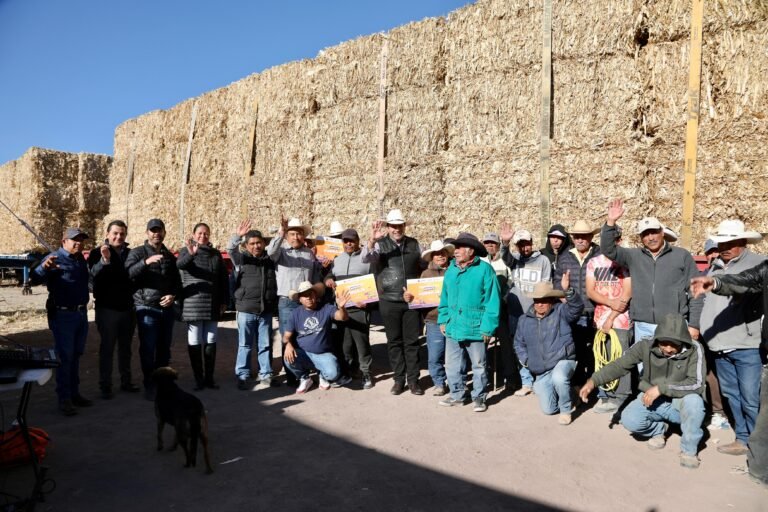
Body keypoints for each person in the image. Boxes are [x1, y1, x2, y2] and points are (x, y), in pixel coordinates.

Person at [579, 313, 707, 469]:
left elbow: (697, 384)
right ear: (657, 338)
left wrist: (661, 388)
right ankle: (659, 429)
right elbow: (620, 364)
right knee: (630, 420)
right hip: (652, 398)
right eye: (664, 343)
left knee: (694, 403)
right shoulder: (645, 344)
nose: (668, 349)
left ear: (683, 341)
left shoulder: (695, 348)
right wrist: (593, 381)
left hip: (679, 400)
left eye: (674, 344)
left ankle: (689, 450)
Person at [691, 220, 765, 456]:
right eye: (723, 242)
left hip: (746, 345)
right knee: (732, 396)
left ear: (743, 241)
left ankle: (758, 449)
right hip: (720, 345)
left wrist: (717, 283)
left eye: (731, 242)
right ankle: (743, 439)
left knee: (751, 399)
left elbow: (741, 284)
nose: (725, 246)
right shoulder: (715, 265)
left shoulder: (757, 264)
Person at [600, 198, 702, 344]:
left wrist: (694, 324)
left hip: (674, 325)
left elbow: (696, 291)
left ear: (662, 232)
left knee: (674, 366)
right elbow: (607, 249)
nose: (650, 237)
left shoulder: (681, 255)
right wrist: (610, 222)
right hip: (643, 326)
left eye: (654, 232)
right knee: (645, 366)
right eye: (645, 234)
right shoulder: (633, 256)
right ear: (641, 238)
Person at [362, 209, 425, 396]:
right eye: (393, 226)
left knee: (412, 342)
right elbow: (367, 258)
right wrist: (372, 240)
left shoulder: (414, 244)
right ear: (388, 227)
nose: (397, 229)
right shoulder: (380, 245)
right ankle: (399, 380)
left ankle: (413, 380)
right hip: (389, 300)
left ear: (404, 226)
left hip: (411, 300)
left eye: (400, 226)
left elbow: (423, 266)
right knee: (394, 342)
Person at [32, 228, 92, 416]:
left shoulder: (80, 259)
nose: (78, 243)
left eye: (81, 240)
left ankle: (74, 394)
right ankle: (64, 398)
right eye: (74, 240)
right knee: (65, 357)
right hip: (63, 315)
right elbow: (34, 278)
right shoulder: (54, 258)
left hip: (81, 314)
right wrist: (44, 267)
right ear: (63, 241)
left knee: (75, 355)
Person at [437, 233, 500, 412]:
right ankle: (457, 395)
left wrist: (488, 327)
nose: (455, 251)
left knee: (479, 365)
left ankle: (479, 397)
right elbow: (444, 298)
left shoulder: (485, 270)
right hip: (453, 325)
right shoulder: (451, 270)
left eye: (459, 248)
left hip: (476, 327)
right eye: (455, 248)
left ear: (470, 251)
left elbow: (492, 301)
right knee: (452, 364)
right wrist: (443, 319)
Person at [514, 271, 583, 425]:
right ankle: (571, 394)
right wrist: (527, 360)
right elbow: (518, 343)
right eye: (537, 300)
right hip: (541, 370)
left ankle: (566, 410)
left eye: (544, 300)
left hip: (563, 361)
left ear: (552, 300)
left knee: (559, 378)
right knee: (548, 409)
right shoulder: (524, 320)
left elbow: (577, 308)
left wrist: (569, 290)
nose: (540, 304)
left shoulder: (561, 312)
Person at [125, 218, 181, 400]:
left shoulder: (169, 256)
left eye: (159, 230)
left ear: (164, 232)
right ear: (147, 233)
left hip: (166, 309)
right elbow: (128, 275)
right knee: (148, 348)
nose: (156, 233)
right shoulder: (137, 252)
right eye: (153, 230)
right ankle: (149, 384)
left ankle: (163, 383)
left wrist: (173, 295)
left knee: (164, 348)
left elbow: (177, 282)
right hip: (146, 308)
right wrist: (145, 262)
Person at [266, 215, 321, 385]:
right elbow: (269, 253)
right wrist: (280, 233)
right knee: (288, 337)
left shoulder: (309, 254)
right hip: (287, 302)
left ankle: (304, 371)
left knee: (306, 335)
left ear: (303, 236)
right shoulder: (281, 252)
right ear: (287, 236)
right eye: (292, 234)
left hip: (306, 301)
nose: (296, 237)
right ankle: (292, 375)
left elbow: (315, 275)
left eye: (298, 234)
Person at [87, 220, 138, 400]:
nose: (118, 237)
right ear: (107, 234)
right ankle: (105, 385)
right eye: (115, 233)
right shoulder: (96, 252)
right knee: (107, 348)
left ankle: (126, 381)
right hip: (107, 309)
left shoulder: (131, 254)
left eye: (122, 234)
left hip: (127, 309)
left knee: (126, 348)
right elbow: (92, 276)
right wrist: (104, 260)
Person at [499, 224, 552, 396]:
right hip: (516, 311)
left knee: (537, 345)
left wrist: (542, 307)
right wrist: (505, 243)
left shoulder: (543, 260)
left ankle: (540, 380)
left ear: (532, 242)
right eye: (520, 244)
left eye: (526, 243)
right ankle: (526, 382)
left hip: (534, 310)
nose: (524, 247)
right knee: (519, 346)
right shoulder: (515, 259)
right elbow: (505, 257)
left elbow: (546, 285)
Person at [585, 226, 632, 414]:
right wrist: (610, 302)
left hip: (621, 318)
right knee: (602, 357)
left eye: (616, 239)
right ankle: (605, 395)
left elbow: (628, 291)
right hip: (600, 317)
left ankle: (621, 397)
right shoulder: (594, 263)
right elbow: (590, 290)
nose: (613, 243)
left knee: (620, 357)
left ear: (619, 241)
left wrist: (612, 315)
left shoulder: (626, 261)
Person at [177, 222, 228, 391]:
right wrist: (191, 254)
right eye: (199, 233)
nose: (203, 236)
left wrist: (224, 301)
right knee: (194, 340)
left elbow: (223, 279)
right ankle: (198, 379)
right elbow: (180, 265)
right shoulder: (186, 251)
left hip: (212, 302)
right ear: (193, 235)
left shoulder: (215, 254)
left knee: (211, 340)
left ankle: (209, 378)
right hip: (193, 302)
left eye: (206, 233)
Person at [228, 221, 278, 390]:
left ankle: (266, 374)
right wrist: (238, 236)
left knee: (265, 344)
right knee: (245, 344)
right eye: (252, 243)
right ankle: (243, 374)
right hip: (246, 309)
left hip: (265, 309)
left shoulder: (270, 260)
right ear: (246, 246)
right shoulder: (241, 259)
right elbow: (230, 250)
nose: (256, 246)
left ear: (264, 243)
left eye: (259, 243)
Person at [553, 220, 602, 387]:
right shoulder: (565, 256)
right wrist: (567, 302)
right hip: (574, 314)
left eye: (584, 236)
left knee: (597, 352)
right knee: (577, 352)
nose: (580, 240)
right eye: (577, 237)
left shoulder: (600, 255)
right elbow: (557, 282)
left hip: (596, 311)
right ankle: (578, 387)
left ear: (590, 237)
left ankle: (595, 386)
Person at [404, 239, 455, 395]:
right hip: (433, 319)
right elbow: (420, 297)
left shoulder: (456, 270)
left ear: (447, 254)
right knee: (435, 355)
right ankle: (439, 382)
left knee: (456, 355)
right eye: (436, 254)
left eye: (442, 253)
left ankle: (455, 383)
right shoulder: (426, 274)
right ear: (432, 257)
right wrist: (411, 298)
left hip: (454, 319)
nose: (440, 256)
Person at [325, 228, 374, 389]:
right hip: (342, 309)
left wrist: (368, 302)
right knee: (345, 344)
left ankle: (366, 372)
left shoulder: (366, 259)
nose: (348, 243)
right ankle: (349, 371)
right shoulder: (337, 259)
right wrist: (329, 280)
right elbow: (329, 275)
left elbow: (374, 283)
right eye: (345, 241)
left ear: (358, 241)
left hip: (360, 309)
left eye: (352, 240)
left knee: (362, 344)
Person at [283, 281, 353, 393]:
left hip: (323, 354)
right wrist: (288, 344)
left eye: (311, 294)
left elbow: (342, 317)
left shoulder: (326, 308)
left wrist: (342, 308)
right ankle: (305, 378)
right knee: (288, 358)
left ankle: (323, 375)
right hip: (304, 354)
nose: (308, 298)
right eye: (304, 296)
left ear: (316, 295)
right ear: (300, 299)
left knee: (333, 373)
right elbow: (286, 336)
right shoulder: (295, 314)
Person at [481, 233, 513, 391]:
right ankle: (484, 378)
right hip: (484, 311)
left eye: (493, 243)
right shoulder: (481, 262)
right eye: (487, 243)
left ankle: (510, 378)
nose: (490, 246)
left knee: (506, 345)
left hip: (502, 309)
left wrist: (503, 300)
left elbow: (511, 283)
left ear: (498, 245)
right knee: (482, 346)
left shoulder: (504, 262)